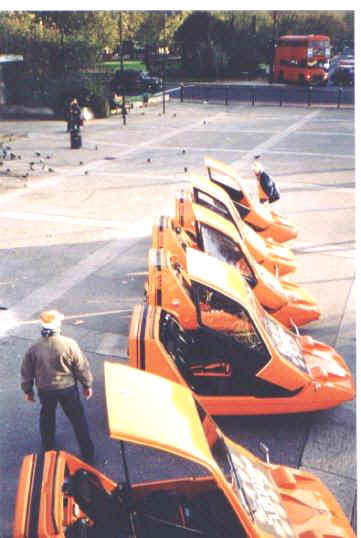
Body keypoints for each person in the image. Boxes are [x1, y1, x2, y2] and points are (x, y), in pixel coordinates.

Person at [21, 310, 95, 464]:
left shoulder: (34, 348)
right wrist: (87, 385)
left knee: (47, 417)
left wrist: (28, 390)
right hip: (67, 388)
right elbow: (81, 367)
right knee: (78, 419)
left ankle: (48, 449)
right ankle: (87, 453)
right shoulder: (69, 344)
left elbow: (26, 372)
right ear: (58, 326)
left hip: (45, 389)